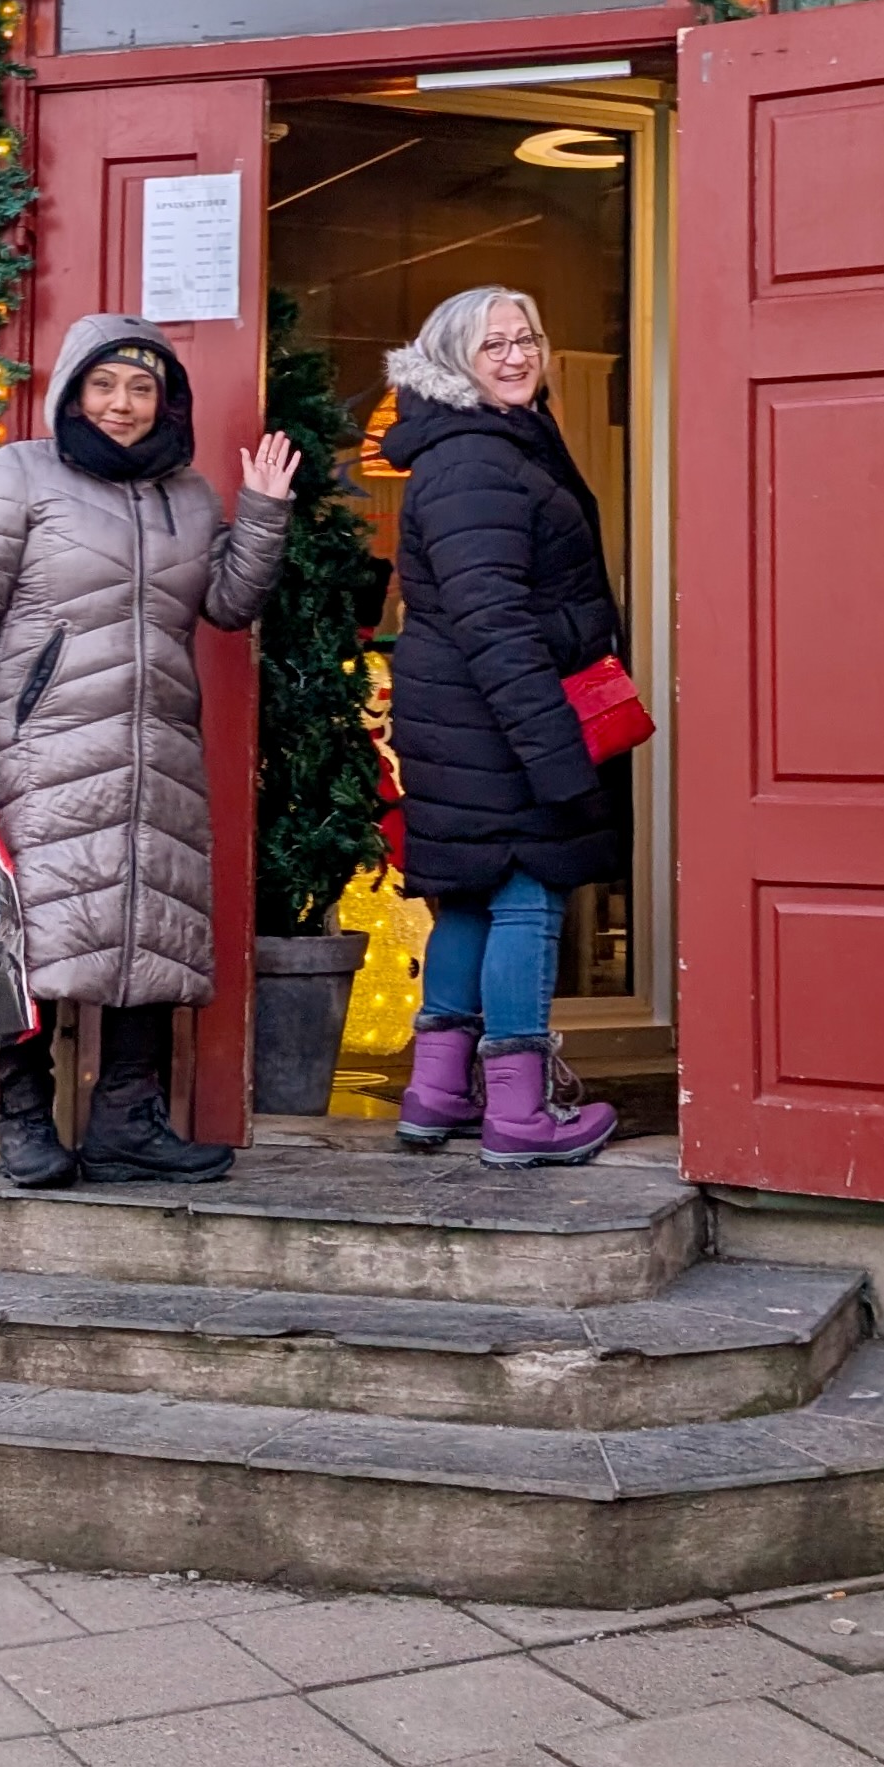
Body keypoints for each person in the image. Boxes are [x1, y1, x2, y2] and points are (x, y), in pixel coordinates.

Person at [0, 312, 299, 1188]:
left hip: (154, 751)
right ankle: (25, 1116)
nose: (123, 404)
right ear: (72, 392)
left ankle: (130, 1120)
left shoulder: (189, 493)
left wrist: (266, 514)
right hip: (38, 748)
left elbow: (230, 605)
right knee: (28, 938)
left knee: (149, 931)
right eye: (104, 385)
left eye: (142, 387)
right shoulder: (17, 474)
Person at [381, 286, 625, 1166]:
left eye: (529, 337)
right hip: (500, 717)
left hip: (470, 715)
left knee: (475, 893)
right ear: (455, 363)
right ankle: (520, 1112)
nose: (519, 356)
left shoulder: (491, 444)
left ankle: (437, 1091)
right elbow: (495, 622)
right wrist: (556, 750)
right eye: (495, 346)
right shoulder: (477, 460)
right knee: (527, 891)